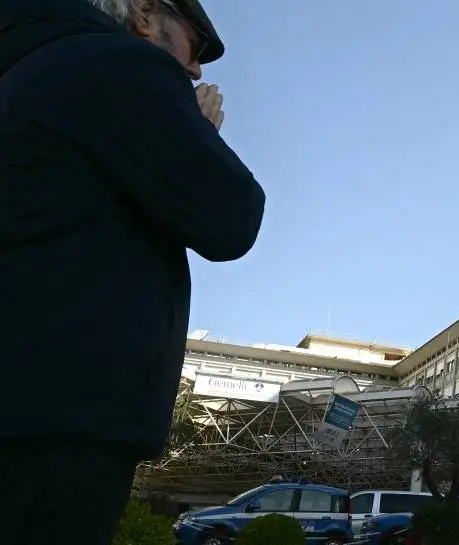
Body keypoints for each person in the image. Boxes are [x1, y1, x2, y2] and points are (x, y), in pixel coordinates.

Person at [0, 0, 264, 543]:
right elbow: (231, 216)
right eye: (194, 47)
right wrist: (197, 135)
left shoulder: (28, 69)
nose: (195, 71)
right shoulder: (118, 65)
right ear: (146, 14)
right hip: (60, 421)